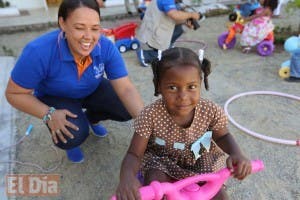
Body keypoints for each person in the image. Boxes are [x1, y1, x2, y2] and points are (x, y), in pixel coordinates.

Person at [5, 0, 144, 163]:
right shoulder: (38, 51)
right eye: (79, 27)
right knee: (73, 135)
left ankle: (91, 118)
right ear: (62, 23)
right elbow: (13, 93)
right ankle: (73, 141)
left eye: (95, 28)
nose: (89, 37)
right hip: (55, 96)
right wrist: (48, 114)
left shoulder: (105, 46)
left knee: (125, 107)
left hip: (91, 88)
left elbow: (126, 89)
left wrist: (148, 126)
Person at [115, 47, 252, 200]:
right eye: (172, 88)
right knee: (155, 183)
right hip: (163, 161)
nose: (183, 96)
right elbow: (134, 154)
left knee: (219, 195)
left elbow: (223, 136)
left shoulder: (210, 111)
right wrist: (126, 177)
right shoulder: (150, 115)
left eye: (191, 87)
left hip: (201, 160)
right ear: (158, 85)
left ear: (200, 82)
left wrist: (236, 154)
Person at [136, 0, 201, 67]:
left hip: (154, 30)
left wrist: (185, 22)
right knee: (170, 57)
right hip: (153, 33)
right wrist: (191, 14)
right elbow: (174, 15)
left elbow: (171, 18)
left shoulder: (172, 2)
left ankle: (165, 48)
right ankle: (145, 55)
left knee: (179, 29)